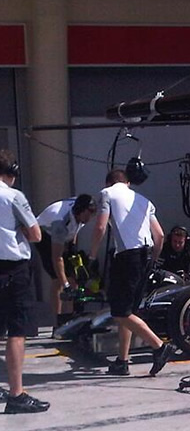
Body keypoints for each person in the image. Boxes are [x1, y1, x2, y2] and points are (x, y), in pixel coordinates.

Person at [89, 169, 174, 376]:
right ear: (127, 183)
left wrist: (92, 256)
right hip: (145, 256)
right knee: (129, 312)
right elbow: (160, 235)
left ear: (109, 182)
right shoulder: (145, 201)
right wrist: (153, 260)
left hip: (127, 257)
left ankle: (159, 347)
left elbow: (100, 227)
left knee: (120, 311)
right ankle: (122, 360)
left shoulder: (106, 194)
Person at [0, 149, 49, 413]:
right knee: (17, 331)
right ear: (11, 173)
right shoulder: (12, 196)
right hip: (12, 268)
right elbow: (36, 234)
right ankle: (16, 394)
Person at [35, 195, 97, 327]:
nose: (89, 219)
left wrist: (73, 251)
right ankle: (56, 321)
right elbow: (57, 257)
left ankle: (70, 320)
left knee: (73, 278)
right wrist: (66, 285)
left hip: (65, 236)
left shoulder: (79, 209)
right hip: (45, 236)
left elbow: (75, 228)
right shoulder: (60, 223)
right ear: (79, 211)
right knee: (58, 280)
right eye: (87, 215)